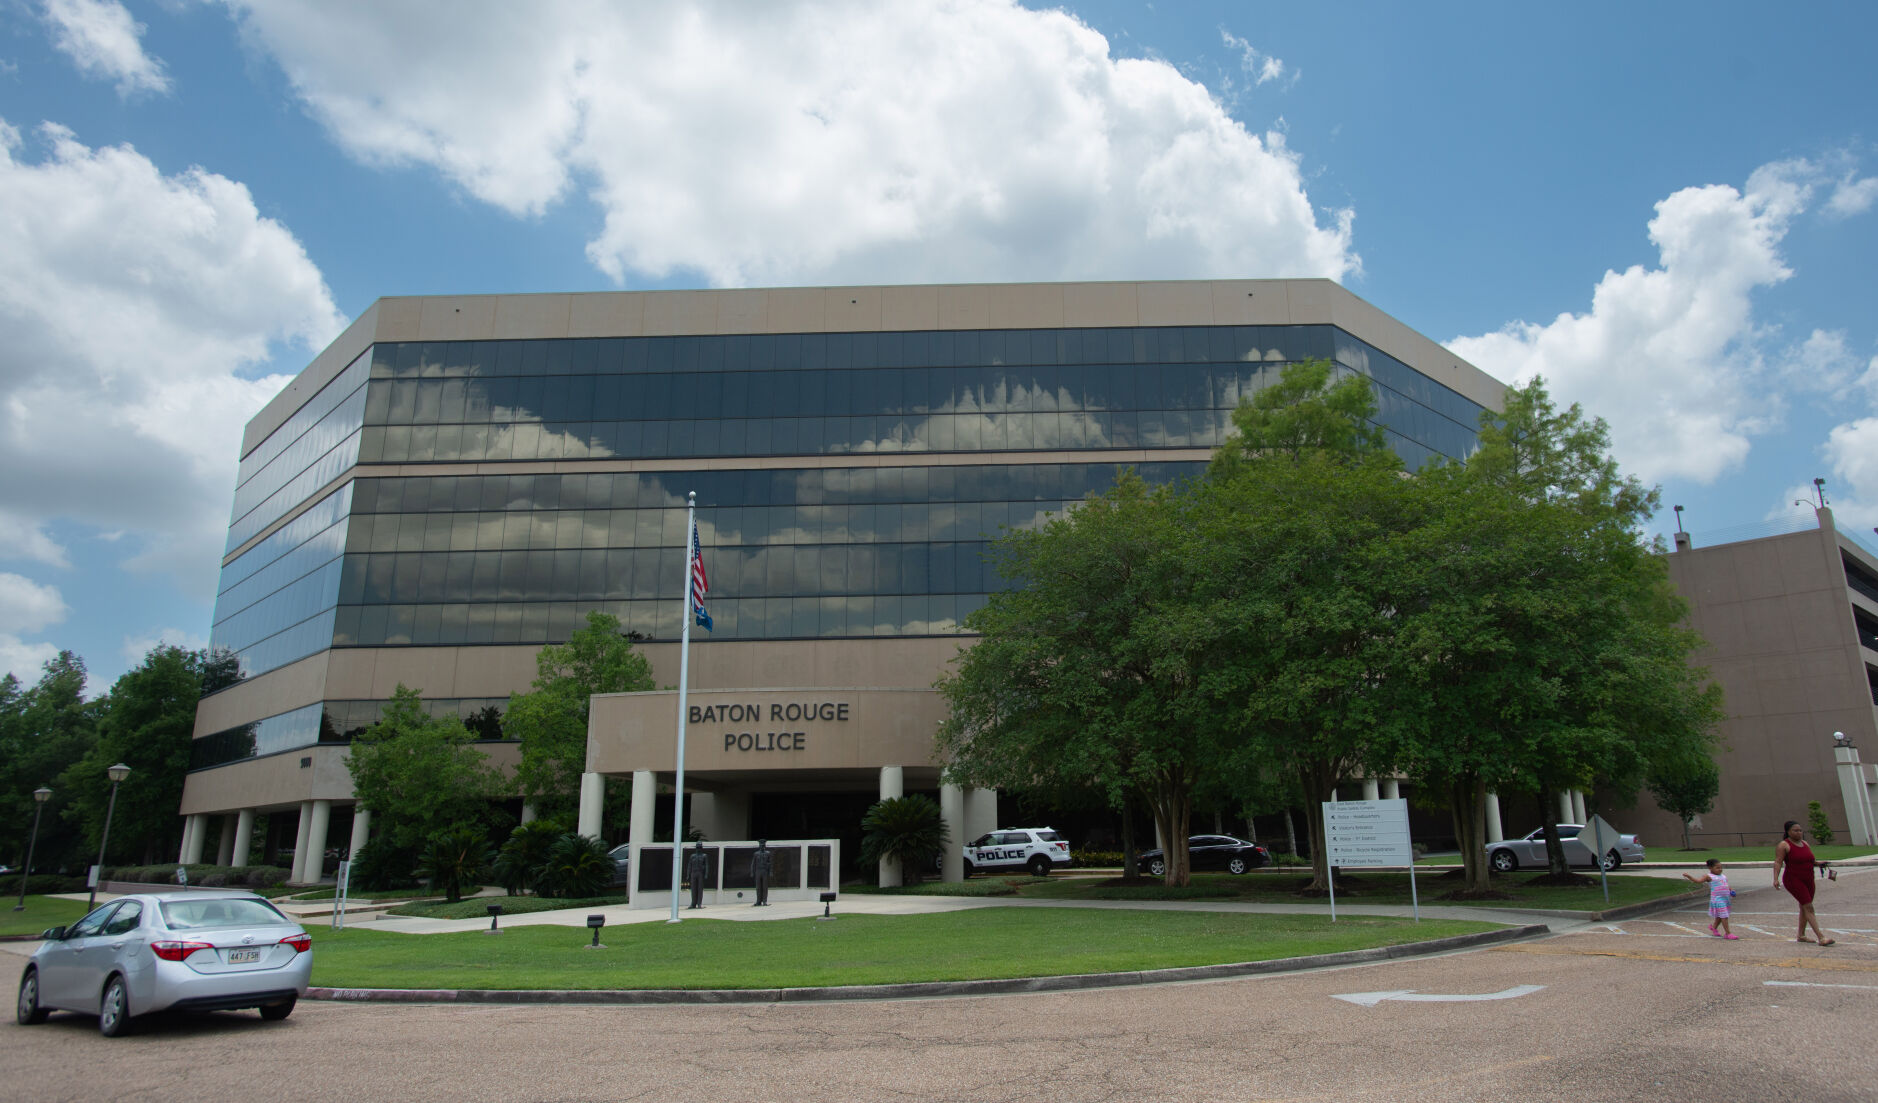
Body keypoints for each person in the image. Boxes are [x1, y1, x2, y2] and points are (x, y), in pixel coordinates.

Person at [1773, 820, 1835, 945]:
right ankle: (1821, 937)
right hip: (1794, 879)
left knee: (1804, 906)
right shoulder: (1784, 845)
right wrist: (1775, 878)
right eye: (1795, 830)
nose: (1799, 833)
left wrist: (1819, 863)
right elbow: (1778, 862)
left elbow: (1810, 859)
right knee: (1808, 906)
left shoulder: (1805, 843)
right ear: (1788, 832)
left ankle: (1801, 935)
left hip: (1808, 879)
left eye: (1800, 830)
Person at [1683, 858, 1738, 939]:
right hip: (1717, 899)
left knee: (1720, 915)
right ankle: (1728, 933)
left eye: (1721, 867)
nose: (1720, 869)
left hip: (1725, 898)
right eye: (1717, 868)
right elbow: (1698, 881)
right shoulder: (1709, 876)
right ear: (1710, 868)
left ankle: (1713, 927)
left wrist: (1731, 890)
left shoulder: (1723, 876)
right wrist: (1689, 876)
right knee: (1724, 916)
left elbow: (1726, 885)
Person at [686, 842, 709, 910]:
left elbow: (707, 865)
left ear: (701, 848)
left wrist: (706, 874)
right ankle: (693, 903)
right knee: (693, 889)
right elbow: (689, 865)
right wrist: (688, 874)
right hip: (693, 873)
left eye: (699, 847)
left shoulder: (704, 856)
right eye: (697, 847)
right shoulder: (692, 856)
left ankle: (699, 903)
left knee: (699, 889)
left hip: (700, 873)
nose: (698, 849)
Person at [751, 840, 773, 907]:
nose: (762, 846)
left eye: (763, 845)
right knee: (758, 887)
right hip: (758, 871)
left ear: (765, 846)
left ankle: (764, 901)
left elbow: (770, 864)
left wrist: (771, 872)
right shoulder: (756, 854)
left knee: (764, 887)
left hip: (765, 871)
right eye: (761, 845)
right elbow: (753, 864)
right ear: (759, 846)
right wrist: (752, 872)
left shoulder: (768, 853)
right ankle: (758, 901)